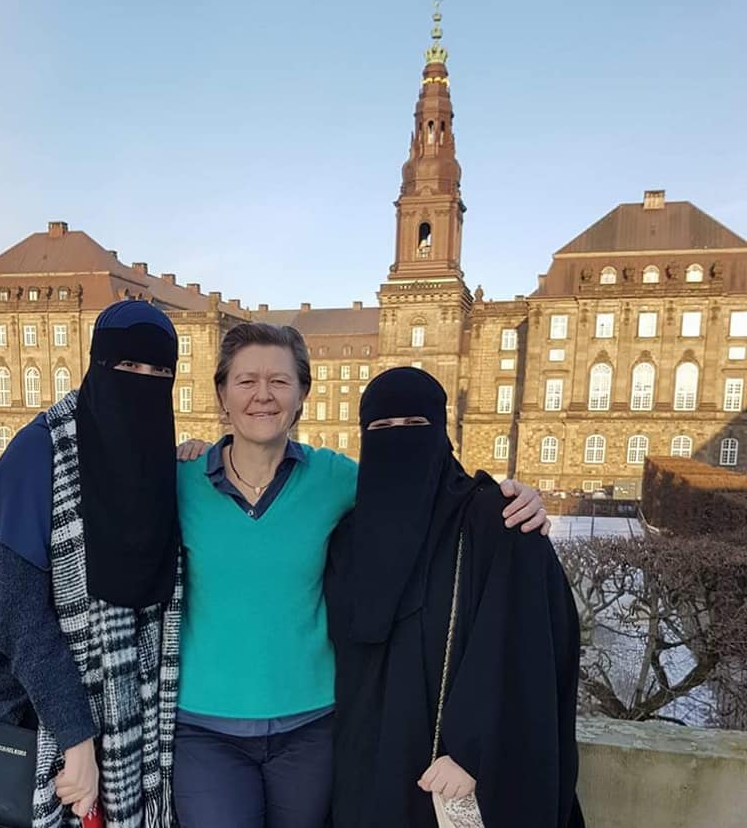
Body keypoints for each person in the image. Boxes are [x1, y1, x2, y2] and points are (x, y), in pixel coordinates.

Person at [172, 324, 550, 828]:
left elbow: (425, 488)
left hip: (310, 726)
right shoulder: (180, 480)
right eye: (246, 381)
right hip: (205, 728)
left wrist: (517, 497)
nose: (263, 395)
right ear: (221, 393)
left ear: (302, 396)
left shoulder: (339, 478)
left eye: (279, 381)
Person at [0, 300, 182, 828]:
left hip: (130, 732)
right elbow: (18, 617)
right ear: (98, 363)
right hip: (27, 727)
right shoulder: (39, 453)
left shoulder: (158, 468)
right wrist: (77, 740)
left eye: (160, 372)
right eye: (129, 365)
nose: (144, 381)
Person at [324, 367, 584, 828]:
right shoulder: (348, 535)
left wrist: (473, 750)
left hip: (451, 776)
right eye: (381, 427)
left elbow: (526, 642)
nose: (398, 438)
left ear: (442, 432)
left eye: (415, 424)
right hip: (364, 770)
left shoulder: (495, 521)